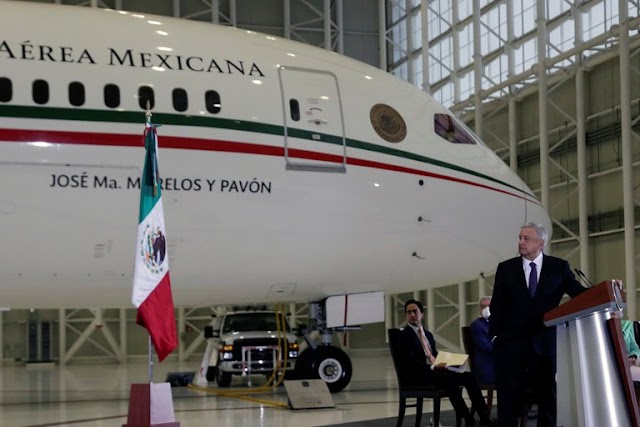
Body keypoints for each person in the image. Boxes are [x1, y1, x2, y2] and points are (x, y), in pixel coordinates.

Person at [489, 222, 587, 427]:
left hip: (544, 345)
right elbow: (497, 305)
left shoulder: (559, 267)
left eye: (526, 238)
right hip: (510, 346)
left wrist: (607, 288)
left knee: (547, 399)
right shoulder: (506, 269)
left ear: (541, 243)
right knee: (507, 401)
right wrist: (495, 337)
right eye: (520, 238)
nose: (521, 242)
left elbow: (579, 294)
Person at [397, 299, 495, 427]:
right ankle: (468, 420)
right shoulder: (404, 336)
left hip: (433, 371)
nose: (412, 315)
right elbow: (409, 363)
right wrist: (433, 367)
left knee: (468, 377)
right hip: (417, 374)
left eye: (415, 311)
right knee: (448, 379)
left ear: (422, 314)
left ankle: (484, 418)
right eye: (408, 312)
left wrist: (452, 362)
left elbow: (434, 355)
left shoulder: (428, 335)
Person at [469, 296, 496, 385]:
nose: (486, 309)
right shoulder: (477, 325)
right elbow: (487, 347)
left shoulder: (497, 323)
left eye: (489, 306)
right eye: (483, 307)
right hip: (487, 369)